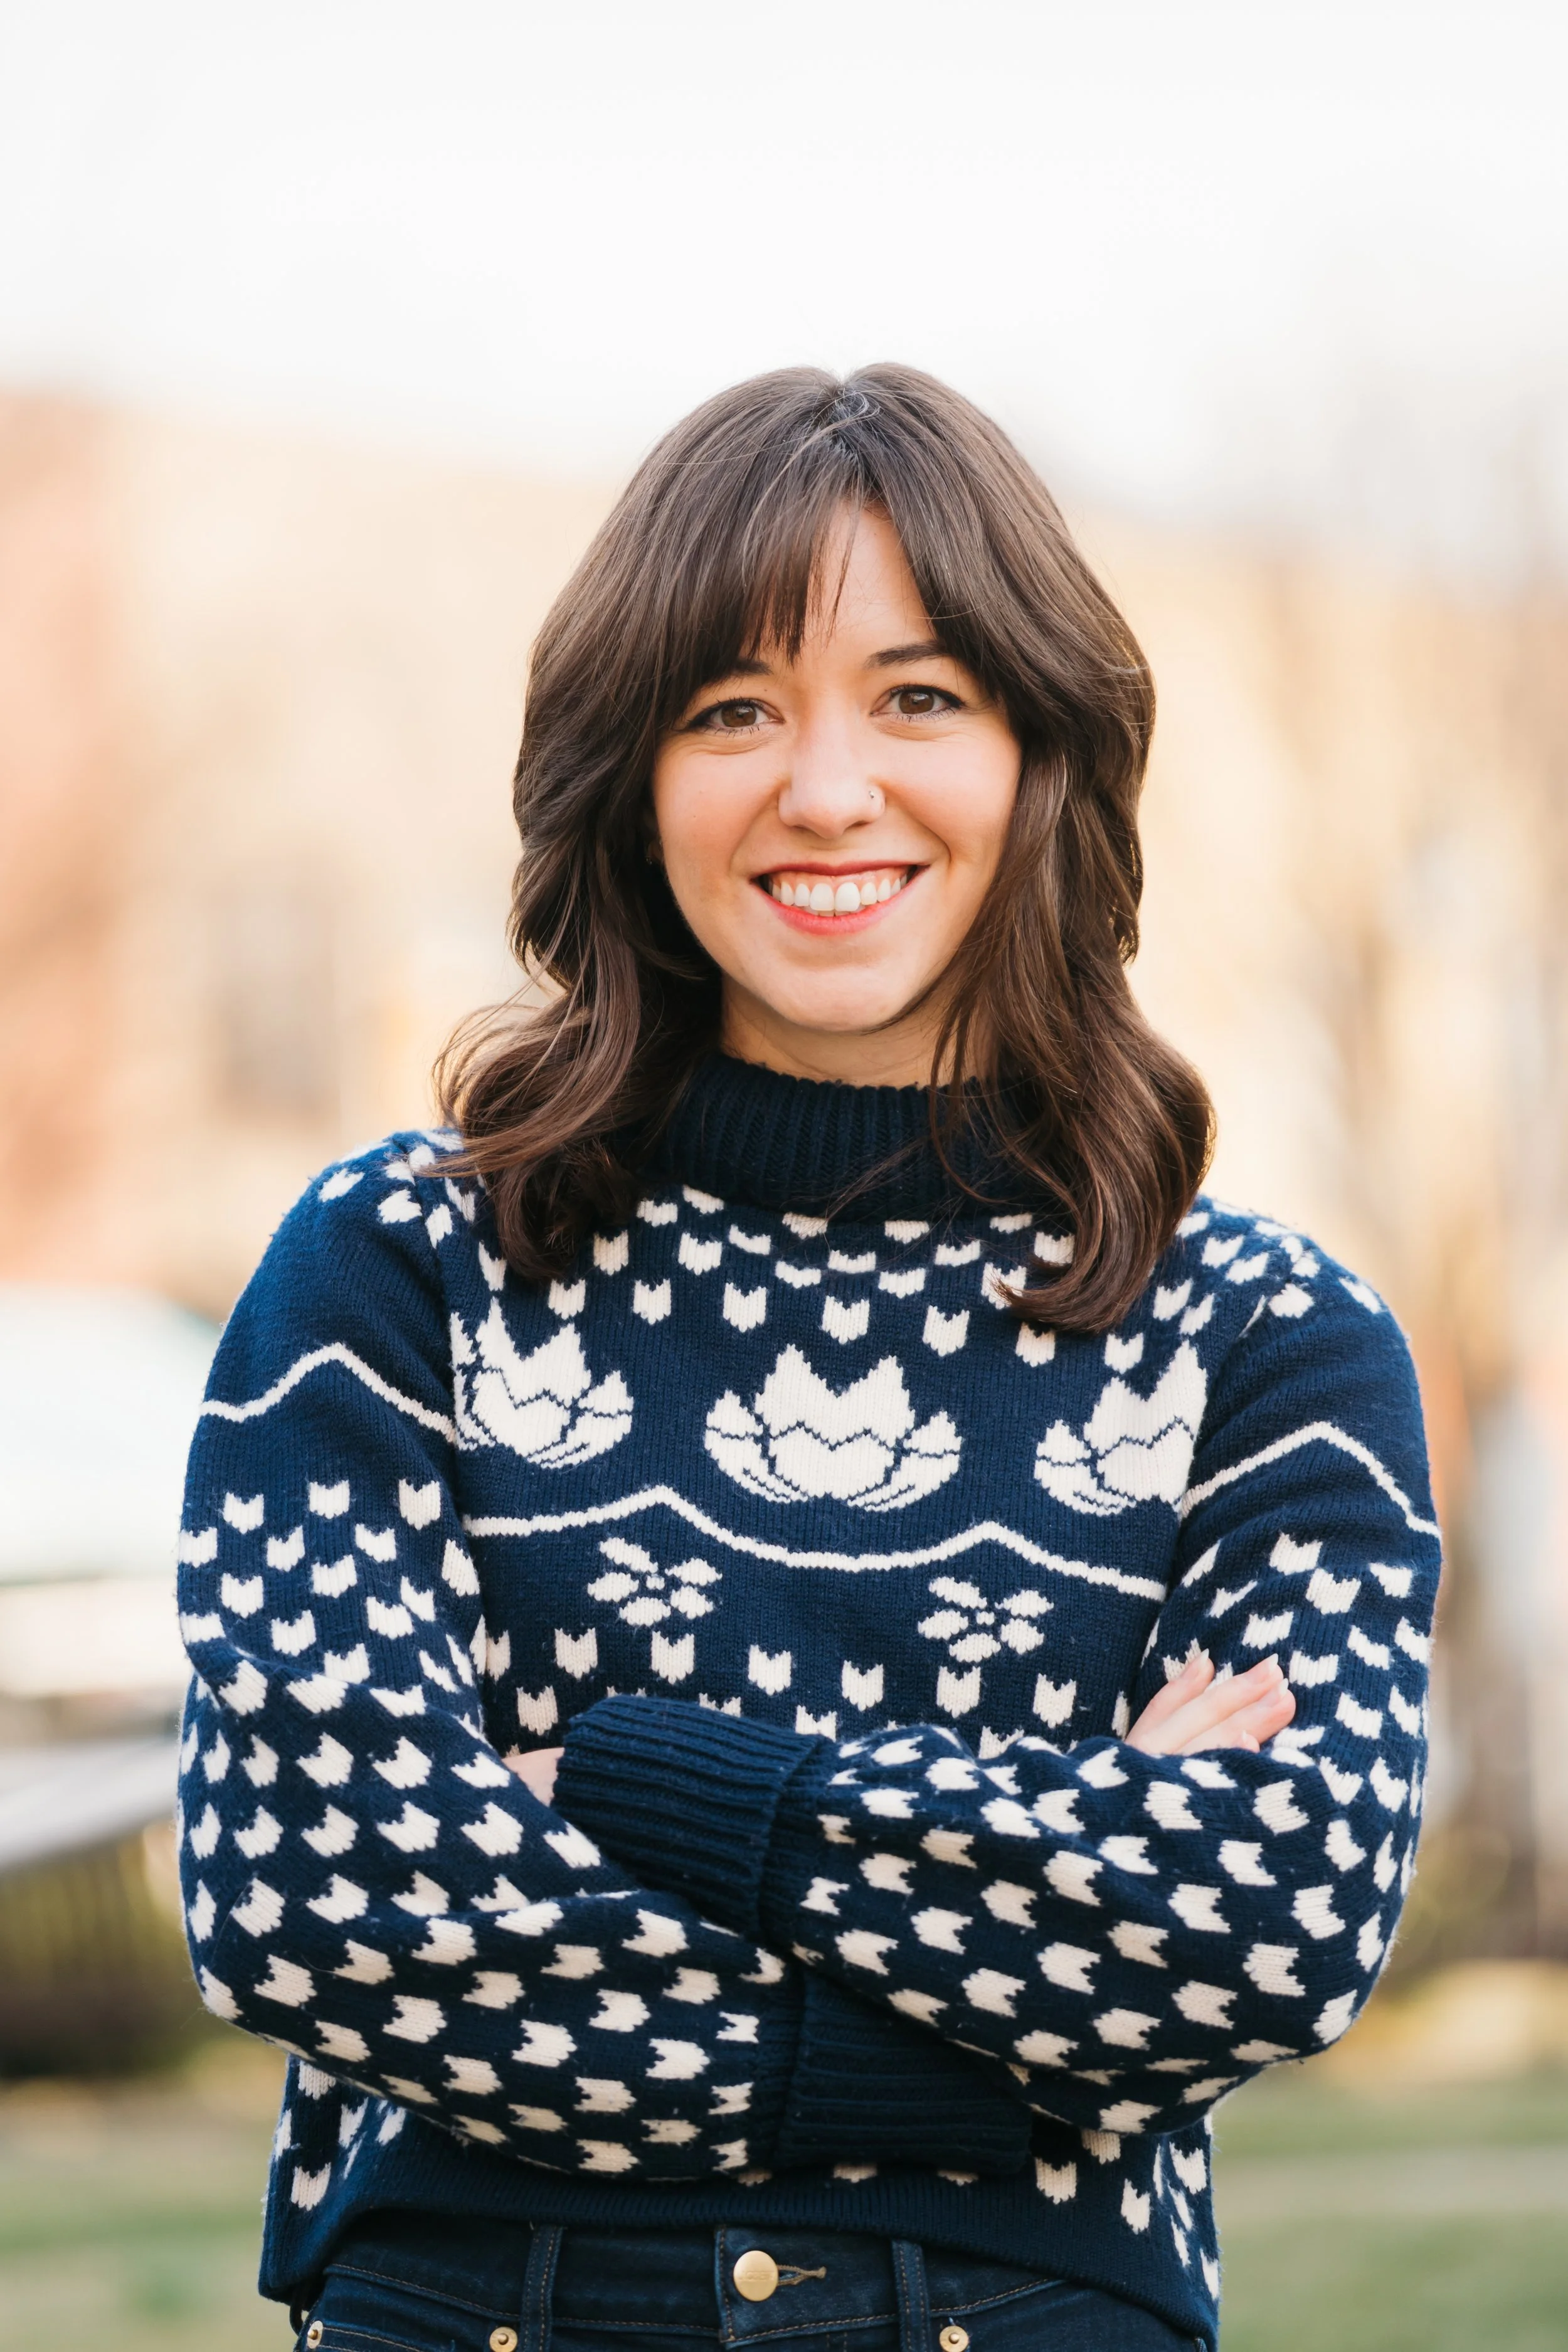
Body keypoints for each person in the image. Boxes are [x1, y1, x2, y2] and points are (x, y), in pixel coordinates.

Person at [175, 366, 1439, 2352]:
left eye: (916, 697)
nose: (828, 789)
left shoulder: (1264, 1340)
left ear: (1040, 747)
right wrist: (996, 2039)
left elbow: (1267, 1923)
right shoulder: (396, 1270)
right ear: (629, 775)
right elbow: (312, 1892)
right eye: (730, 709)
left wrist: (633, 1777)